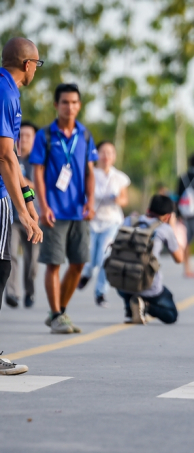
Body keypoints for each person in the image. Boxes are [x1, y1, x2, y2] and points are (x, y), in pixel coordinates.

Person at [31, 83, 97, 334]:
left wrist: (90, 202)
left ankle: (59, 310)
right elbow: (37, 172)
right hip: (54, 212)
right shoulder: (45, 136)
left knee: (79, 262)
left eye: (74, 102)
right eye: (65, 102)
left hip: (79, 211)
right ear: (56, 105)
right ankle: (57, 314)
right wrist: (43, 205)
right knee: (54, 263)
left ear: (79, 105)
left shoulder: (85, 135)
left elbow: (90, 172)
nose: (70, 107)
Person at [0, 37, 44, 376]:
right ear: (27, 65)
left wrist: (29, 206)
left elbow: (16, 164)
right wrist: (23, 214)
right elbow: (5, 157)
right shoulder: (7, 92)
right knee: (1, 269)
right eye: (37, 64)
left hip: (7, 190)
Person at [118, 195, 185, 325]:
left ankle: (129, 306)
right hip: (148, 286)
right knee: (172, 315)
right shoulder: (164, 229)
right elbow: (179, 258)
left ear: (148, 209)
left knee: (128, 270)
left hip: (121, 282)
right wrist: (173, 228)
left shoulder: (128, 221)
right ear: (168, 216)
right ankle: (145, 306)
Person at [78, 141, 130, 307]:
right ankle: (86, 273)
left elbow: (124, 199)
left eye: (110, 153)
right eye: (103, 152)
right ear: (96, 154)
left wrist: (116, 199)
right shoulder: (89, 173)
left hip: (111, 222)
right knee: (91, 256)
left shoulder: (119, 177)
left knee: (104, 257)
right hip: (92, 222)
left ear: (114, 156)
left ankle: (101, 292)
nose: (106, 156)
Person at [6, 121, 40, 309]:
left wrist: (21, 180)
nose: (24, 139)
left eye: (28, 136)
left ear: (34, 139)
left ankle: (30, 291)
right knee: (10, 254)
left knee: (32, 259)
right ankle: (12, 293)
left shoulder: (39, 161)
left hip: (34, 218)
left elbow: (42, 188)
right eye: (21, 135)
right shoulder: (8, 156)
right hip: (12, 215)